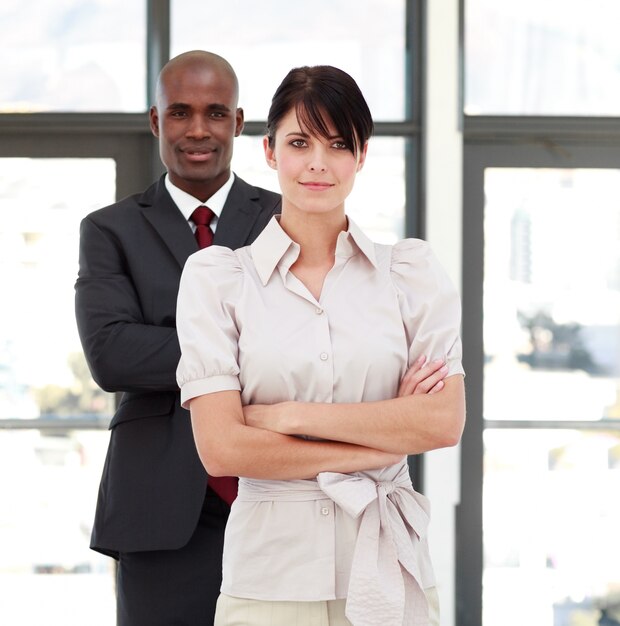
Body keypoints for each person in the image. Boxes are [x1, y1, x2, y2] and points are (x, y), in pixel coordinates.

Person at [176, 65, 465, 626]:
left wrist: (287, 416)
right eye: (299, 142)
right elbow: (222, 448)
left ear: (361, 155)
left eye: (338, 144)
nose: (317, 163)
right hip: (269, 576)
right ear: (268, 150)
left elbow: (441, 423)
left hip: (389, 567)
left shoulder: (409, 274)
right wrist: (382, 441)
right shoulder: (218, 280)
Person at [74, 50, 281, 626]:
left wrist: (168, 340)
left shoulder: (285, 222)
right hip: (157, 504)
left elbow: (311, 348)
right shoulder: (110, 229)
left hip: (276, 492)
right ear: (155, 120)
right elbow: (113, 355)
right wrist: (244, 348)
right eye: (180, 112)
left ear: (238, 123)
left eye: (215, 113)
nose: (197, 130)